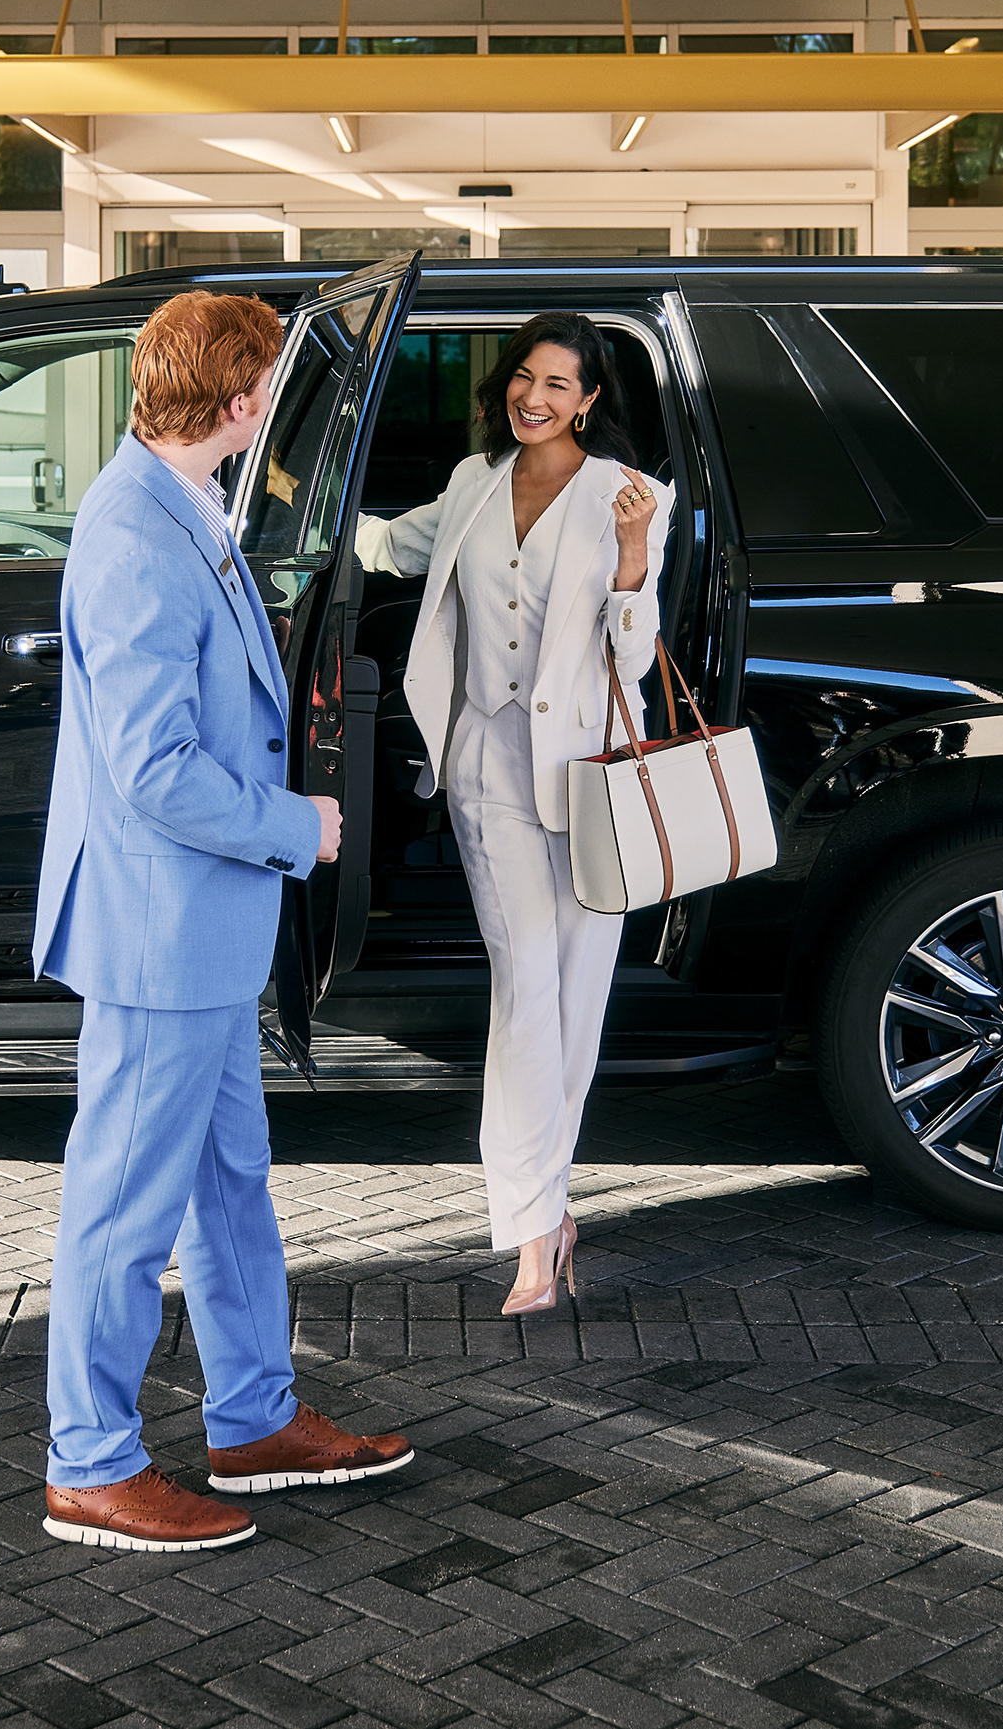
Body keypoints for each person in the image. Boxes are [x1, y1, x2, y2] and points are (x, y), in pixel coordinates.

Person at [32, 287, 416, 1554]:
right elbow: (155, 768)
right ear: (244, 400)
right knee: (123, 1206)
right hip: (162, 930)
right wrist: (294, 824)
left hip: (197, 930)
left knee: (226, 1180)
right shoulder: (137, 534)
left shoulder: (177, 500)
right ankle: (91, 1464)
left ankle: (252, 1416)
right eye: (272, 389)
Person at [354, 312, 667, 1315]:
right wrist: (287, 494)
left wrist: (631, 554)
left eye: (558, 384)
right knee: (527, 989)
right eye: (525, 377)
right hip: (487, 764)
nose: (534, 397)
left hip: (586, 775)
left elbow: (633, 656)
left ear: (590, 400)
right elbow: (384, 546)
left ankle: (550, 1206)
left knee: (577, 997)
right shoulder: (471, 482)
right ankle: (533, 1230)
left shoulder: (631, 496)